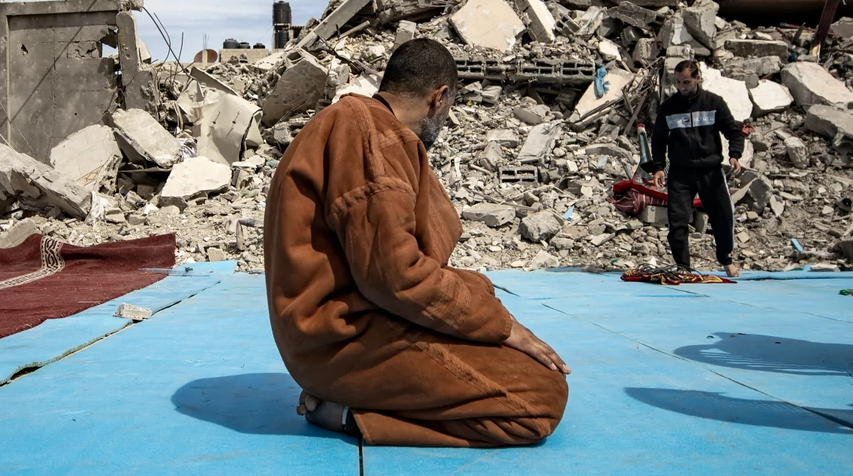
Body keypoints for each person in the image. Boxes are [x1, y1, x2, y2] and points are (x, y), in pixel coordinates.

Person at [263, 38, 570, 448]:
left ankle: (356, 394)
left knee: (479, 288)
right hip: (339, 340)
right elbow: (396, 275)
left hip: (342, 325)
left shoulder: (360, 123)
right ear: (439, 97)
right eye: (450, 107)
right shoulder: (374, 139)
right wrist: (502, 327)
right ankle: (347, 414)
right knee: (541, 394)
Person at [642, 59, 745, 277]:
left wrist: (735, 155)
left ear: (697, 78)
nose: (682, 87)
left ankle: (726, 259)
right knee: (677, 220)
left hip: (710, 171)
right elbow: (659, 140)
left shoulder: (713, 103)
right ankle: (683, 267)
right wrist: (658, 167)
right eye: (678, 82)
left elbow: (733, 132)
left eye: (686, 82)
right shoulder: (668, 108)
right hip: (680, 172)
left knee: (722, 216)